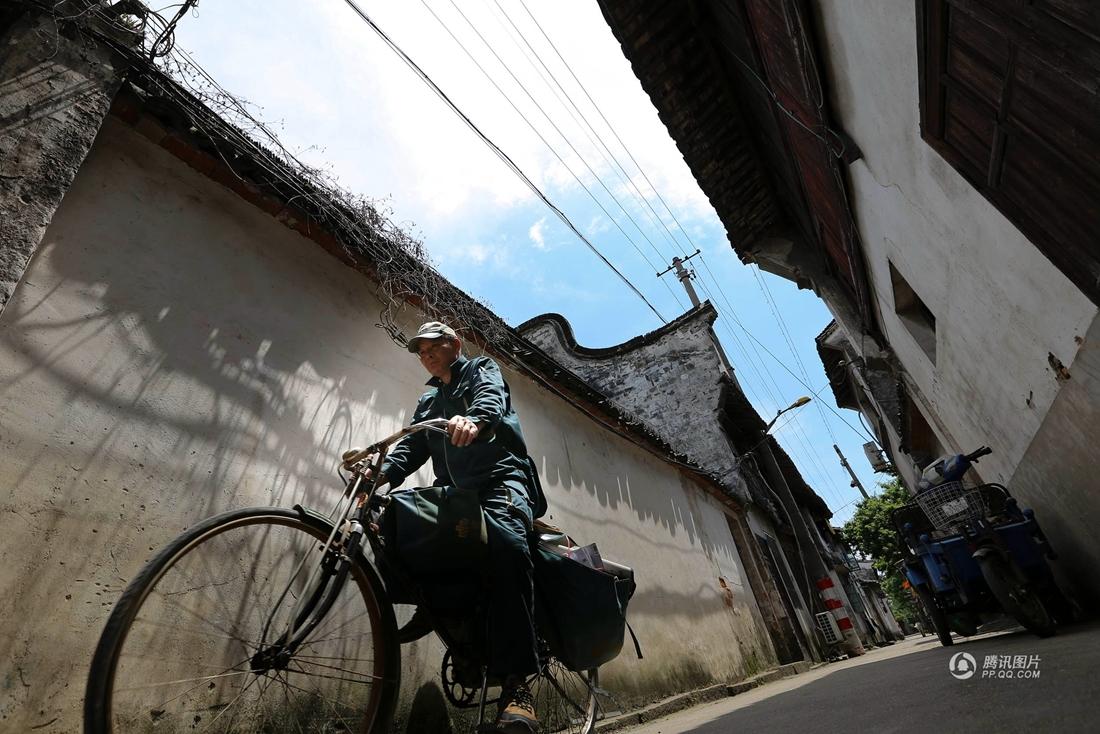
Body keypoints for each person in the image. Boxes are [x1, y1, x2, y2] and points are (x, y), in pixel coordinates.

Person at [369, 321, 545, 734]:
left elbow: (491, 401)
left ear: (454, 345)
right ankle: (431, 605)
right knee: (393, 524)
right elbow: (414, 444)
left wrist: (473, 420)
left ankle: (519, 685)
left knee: (506, 546)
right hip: (453, 494)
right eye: (420, 350)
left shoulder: (480, 369)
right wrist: (382, 475)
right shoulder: (430, 396)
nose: (426, 355)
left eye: (433, 346)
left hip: (501, 482)